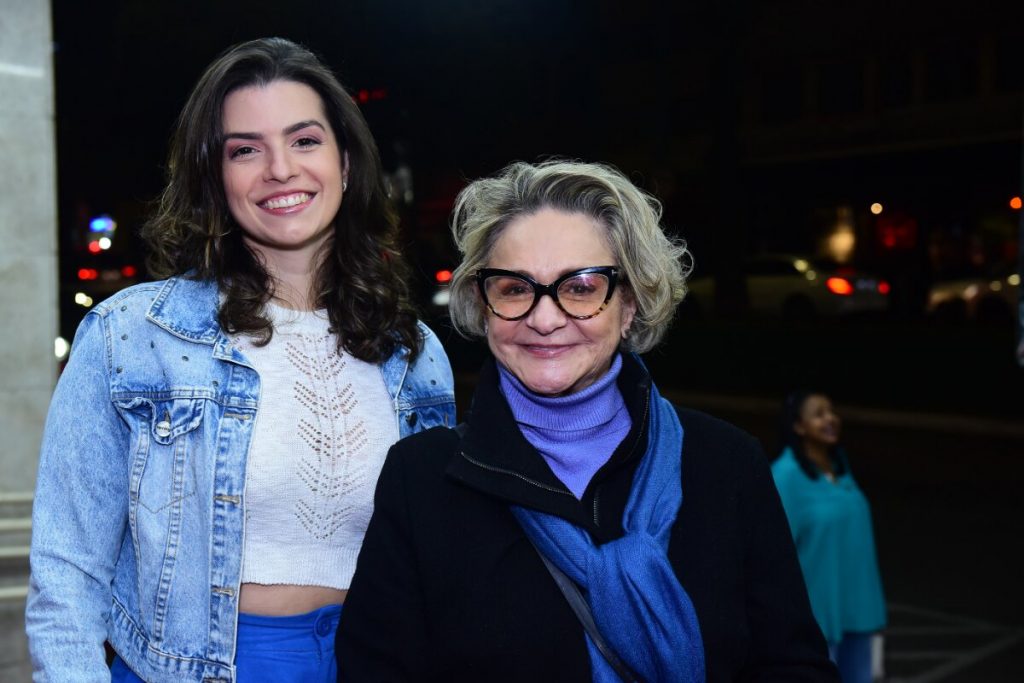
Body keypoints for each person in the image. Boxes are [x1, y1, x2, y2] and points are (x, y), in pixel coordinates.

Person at [25, 37, 455, 683]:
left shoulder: (413, 351)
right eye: (245, 150)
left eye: (304, 140)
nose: (280, 169)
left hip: (377, 660)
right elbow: (67, 574)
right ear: (215, 177)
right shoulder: (132, 336)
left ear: (344, 161)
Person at [337, 160, 838, 681]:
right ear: (483, 306)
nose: (544, 318)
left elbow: (793, 666)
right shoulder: (421, 479)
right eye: (514, 287)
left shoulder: (725, 464)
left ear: (630, 305)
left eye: (580, 287)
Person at [771, 391, 886, 683]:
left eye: (832, 411)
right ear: (798, 426)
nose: (830, 419)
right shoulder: (785, 475)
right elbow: (773, 553)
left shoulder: (839, 465)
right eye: (819, 414)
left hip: (857, 609)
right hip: (817, 616)